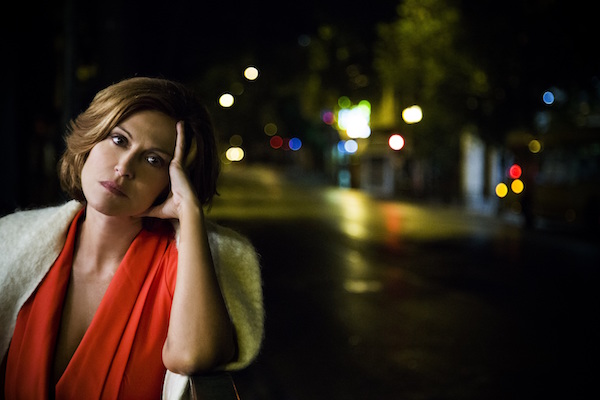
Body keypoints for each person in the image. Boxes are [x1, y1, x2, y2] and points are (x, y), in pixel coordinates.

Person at [0, 77, 264, 399]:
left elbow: (193, 357)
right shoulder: (11, 240)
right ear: (92, 138)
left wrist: (190, 212)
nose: (124, 167)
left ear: (173, 182)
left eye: (154, 160)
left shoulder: (183, 264)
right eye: (119, 140)